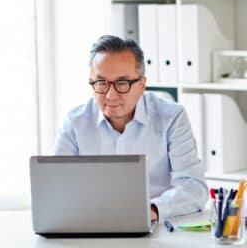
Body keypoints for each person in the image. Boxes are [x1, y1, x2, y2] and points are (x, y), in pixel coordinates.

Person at [54, 35, 208, 222]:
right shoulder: (75, 122)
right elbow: (56, 189)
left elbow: (194, 187)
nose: (110, 95)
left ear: (142, 85)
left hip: (156, 226)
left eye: (122, 83)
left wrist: (151, 210)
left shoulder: (172, 117)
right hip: (92, 225)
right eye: (101, 83)